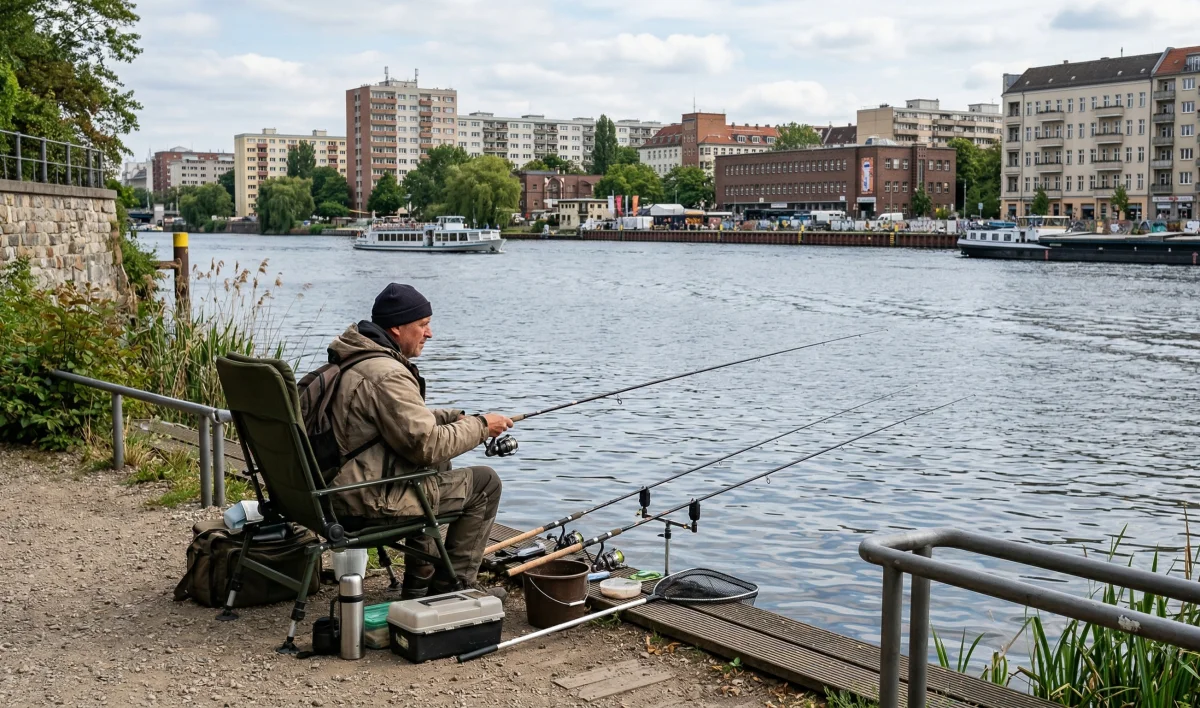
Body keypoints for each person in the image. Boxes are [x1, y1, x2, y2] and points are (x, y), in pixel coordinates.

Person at [325, 283, 514, 598]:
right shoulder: (388, 373)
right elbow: (427, 445)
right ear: (397, 328)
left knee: (440, 461)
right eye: (423, 325)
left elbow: (401, 422)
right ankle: (454, 587)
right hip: (365, 502)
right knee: (485, 483)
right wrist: (482, 426)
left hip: (335, 489)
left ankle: (419, 582)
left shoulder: (355, 358)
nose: (430, 334)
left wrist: (456, 417)